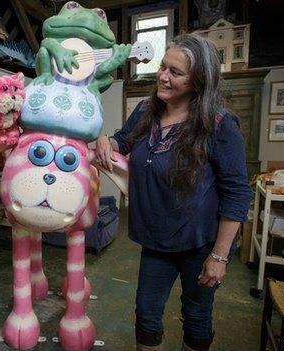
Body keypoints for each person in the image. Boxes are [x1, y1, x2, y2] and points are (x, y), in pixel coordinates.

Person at [95, 33, 252, 351]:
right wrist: (105, 141)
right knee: (147, 316)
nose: (163, 77)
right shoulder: (145, 112)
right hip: (156, 239)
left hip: (201, 243)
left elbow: (237, 194)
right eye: (163, 67)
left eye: (175, 72)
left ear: (198, 81)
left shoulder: (219, 126)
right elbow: (123, 140)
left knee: (196, 316)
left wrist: (219, 256)